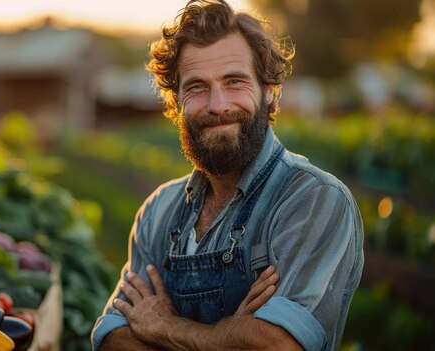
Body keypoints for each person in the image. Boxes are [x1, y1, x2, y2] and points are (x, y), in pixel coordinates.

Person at [90, 0, 364, 350]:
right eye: (197, 87)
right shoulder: (158, 210)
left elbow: (277, 346)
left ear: (269, 90)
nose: (218, 105)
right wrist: (232, 335)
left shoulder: (312, 200)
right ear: (176, 102)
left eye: (234, 82)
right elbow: (114, 339)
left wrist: (163, 327)